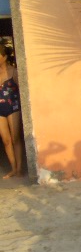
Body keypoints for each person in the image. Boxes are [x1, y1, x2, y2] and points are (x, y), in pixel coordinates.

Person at [0, 40, 24, 179]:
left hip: (13, 107)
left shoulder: (13, 71)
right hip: (0, 109)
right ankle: (13, 168)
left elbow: (22, 90)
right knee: (6, 140)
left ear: (4, 57)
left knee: (15, 138)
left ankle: (20, 168)